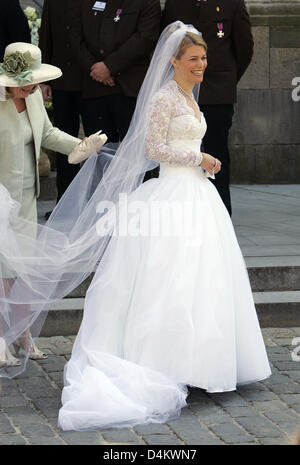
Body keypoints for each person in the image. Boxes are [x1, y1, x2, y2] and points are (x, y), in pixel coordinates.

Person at [0, 23, 270, 429]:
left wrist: (200, 158)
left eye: (204, 59)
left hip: (196, 195)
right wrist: (198, 159)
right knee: (168, 279)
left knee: (204, 278)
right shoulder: (164, 98)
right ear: (174, 61)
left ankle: (205, 359)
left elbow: (180, 142)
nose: (201, 66)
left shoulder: (189, 97)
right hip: (170, 193)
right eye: (194, 59)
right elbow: (152, 147)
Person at [0, 42, 107, 369]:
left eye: (34, 81)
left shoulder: (31, 98)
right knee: (2, 272)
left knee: (24, 270)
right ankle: (1, 338)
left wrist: (82, 145)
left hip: (26, 198)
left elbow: (48, 134)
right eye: (27, 82)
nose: (33, 87)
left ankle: (23, 334)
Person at [162, 0, 254, 215]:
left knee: (216, 157)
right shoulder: (175, 4)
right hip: (181, 94)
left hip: (216, 95)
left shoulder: (232, 4)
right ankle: (184, 215)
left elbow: (244, 49)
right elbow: (167, 45)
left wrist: (226, 81)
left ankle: (220, 216)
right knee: (181, 155)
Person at [69, 0, 161, 142]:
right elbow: (75, 37)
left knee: (133, 153)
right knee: (99, 153)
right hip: (94, 87)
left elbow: (146, 38)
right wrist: (95, 68)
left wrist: (109, 67)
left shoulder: (148, 2)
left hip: (131, 90)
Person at [39, 0, 85, 204]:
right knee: (64, 141)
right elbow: (45, 36)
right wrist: (44, 80)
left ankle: (92, 201)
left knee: (94, 141)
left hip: (90, 81)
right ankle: (65, 201)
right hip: (61, 82)